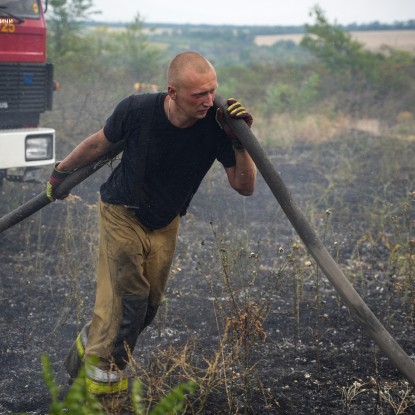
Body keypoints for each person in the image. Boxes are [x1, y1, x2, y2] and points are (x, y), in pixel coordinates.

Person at [46, 51, 256, 412]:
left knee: (147, 309)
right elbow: (99, 143)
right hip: (121, 212)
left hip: (165, 221)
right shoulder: (137, 110)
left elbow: (244, 185)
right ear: (172, 92)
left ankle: (81, 356)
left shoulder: (215, 126)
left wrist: (240, 139)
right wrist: (60, 174)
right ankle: (99, 398)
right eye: (198, 94)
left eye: (212, 91)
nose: (209, 101)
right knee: (129, 303)